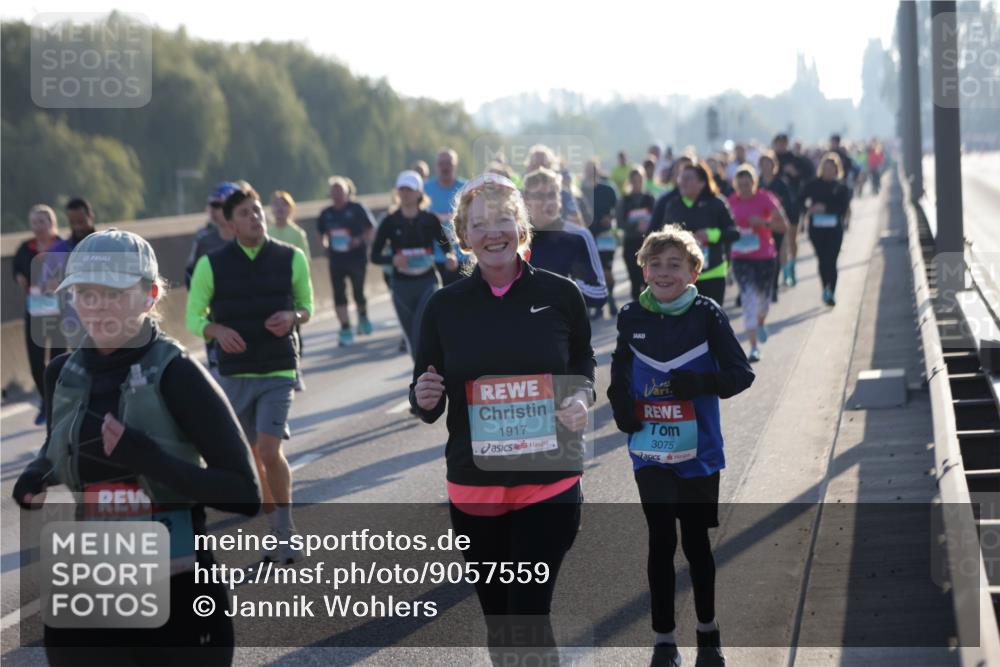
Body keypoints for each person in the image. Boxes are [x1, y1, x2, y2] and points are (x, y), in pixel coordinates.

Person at [13, 229, 262, 666]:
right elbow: (58, 452)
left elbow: (245, 493)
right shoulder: (61, 375)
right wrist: (37, 475)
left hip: (179, 595)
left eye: (113, 292)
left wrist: (149, 459)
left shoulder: (179, 374)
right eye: (86, 293)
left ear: (148, 295)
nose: (98, 305)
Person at [411, 172, 594, 664]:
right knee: (500, 619)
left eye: (503, 220)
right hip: (475, 488)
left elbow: (582, 362)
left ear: (522, 228)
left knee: (527, 615)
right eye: (480, 224)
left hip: (548, 480)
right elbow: (426, 395)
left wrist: (581, 397)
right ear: (464, 237)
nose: (493, 232)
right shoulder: (443, 306)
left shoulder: (561, 295)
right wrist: (424, 397)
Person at [608, 226, 754, 667]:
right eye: (656, 264)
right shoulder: (632, 316)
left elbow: (741, 374)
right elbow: (619, 368)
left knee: (694, 543)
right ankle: (664, 641)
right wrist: (621, 406)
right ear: (644, 270)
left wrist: (701, 383)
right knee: (658, 539)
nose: (664, 272)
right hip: (650, 450)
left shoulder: (707, 314)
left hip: (699, 452)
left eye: (675, 265)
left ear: (693, 272)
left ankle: (708, 635)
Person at [186, 184, 313, 564]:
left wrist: (293, 317)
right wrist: (218, 331)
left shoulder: (292, 257)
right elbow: (193, 318)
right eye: (245, 213)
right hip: (235, 374)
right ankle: (274, 531)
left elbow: (307, 306)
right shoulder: (212, 264)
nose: (255, 217)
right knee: (254, 458)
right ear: (229, 223)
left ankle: (286, 533)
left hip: (277, 367)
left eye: (257, 210)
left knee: (270, 450)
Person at [370, 170, 456, 365]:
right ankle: (422, 374)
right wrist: (392, 260)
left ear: (419, 193)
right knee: (411, 335)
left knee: (423, 328)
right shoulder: (390, 222)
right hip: (401, 286)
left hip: (428, 281)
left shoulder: (430, 219)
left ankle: (431, 369)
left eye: (409, 189)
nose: (405, 193)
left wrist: (450, 257)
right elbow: (374, 256)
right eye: (402, 189)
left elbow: (446, 246)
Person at [652, 162, 737, 307]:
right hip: (682, 277)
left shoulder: (716, 203)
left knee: (711, 326)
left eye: (688, 178)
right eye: (681, 178)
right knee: (686, 327)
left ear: (702, 183)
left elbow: (734, 233)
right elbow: (662, 237)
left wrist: (711, 235)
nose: (683, 182)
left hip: (713, 273)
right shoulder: (673, 205)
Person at [522, 167, 608, 311]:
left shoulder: (579, 236)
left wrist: (566, 285)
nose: (547, 202)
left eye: (552, 195)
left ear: (560, 199)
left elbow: (600, 294)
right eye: (539, 196)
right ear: (526, 200)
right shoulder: (516, 238)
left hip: (566, 330)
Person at [727, 166, 788, 362]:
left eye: (748, 184)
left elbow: (783, 226)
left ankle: (761, 321)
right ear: (735, 186)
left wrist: (763, 223)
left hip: (764, 256)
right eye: (740, 185)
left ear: (755, 184)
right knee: (748, 299)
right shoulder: (730, 203)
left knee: (764, 301)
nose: (744, 188)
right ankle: (753, 347)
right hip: (741, 258)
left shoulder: (765, 198)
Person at [13, 204, 66, 425]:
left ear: (51, 223)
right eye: (34, 222)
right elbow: (16, 268)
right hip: (35, 307)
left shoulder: (62, 246)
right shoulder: (25, 248)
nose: (38, 227)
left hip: (59, 308)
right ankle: (45, 400)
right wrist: (20, 278)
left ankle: (57, 402)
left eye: (41, 222)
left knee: (57, 357)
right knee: (35, 360)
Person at [317, 175, 377, 346]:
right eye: (333, 190)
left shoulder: (357, 209)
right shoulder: (326, 213)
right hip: (336, 259)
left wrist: (358, 240)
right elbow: (321, 234)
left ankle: (363, 316)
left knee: (358, 292)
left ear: (347, 192)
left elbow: (370, 229)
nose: (336, 194)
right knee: (339, 294)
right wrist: (325, 245)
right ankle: (345, 328)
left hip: (356, 258)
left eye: (339, 190)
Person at [269, 191, 311, 390]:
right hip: (270, 290)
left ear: (291, 209)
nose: (279, 209)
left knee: (294, 329)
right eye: (276, 205)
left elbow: (305, 264)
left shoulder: (297, 234)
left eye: (283, 205)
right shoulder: (265, 232)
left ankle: (296, 369)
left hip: (291, 289)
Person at [802, 153, 852, 306]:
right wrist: (809, 209)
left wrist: (825, 208)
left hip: (834, 229)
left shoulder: (842, 187)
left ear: (837, 170)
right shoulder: (813, 185)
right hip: (816, 230)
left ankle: (831, 292)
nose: (828, 171)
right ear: (821, 169)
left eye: (831, 168)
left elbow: (843, 208)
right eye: (825, 168)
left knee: (832, 260)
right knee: (822, 260)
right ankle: (825, 287)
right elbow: (799, 200)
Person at [580, 160, 619, 318]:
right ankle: (597, 304)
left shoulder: (608, 189)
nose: (591, 172)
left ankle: (610, 297)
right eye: (588, 169)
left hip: (605, 235)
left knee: (607, 270)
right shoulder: (581, 191)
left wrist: (610, 217)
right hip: (588, 235)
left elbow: (617, 208)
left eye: (593, 169)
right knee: (591, 271)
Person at [772, 134, 813, 287]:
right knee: (780, 241)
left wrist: (795, 173)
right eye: (778, 143)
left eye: (783, 143)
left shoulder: (795, 159)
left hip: (793, 204)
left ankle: (792, 265)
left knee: (792, 239)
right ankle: (783, 271)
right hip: (775, 206)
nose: (781, 146)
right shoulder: (771, 159)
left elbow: (809, 175)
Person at [424, 148, 469, 286]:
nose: (445, 167)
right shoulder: (425, 189)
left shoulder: (466, 188)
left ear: (455, 165)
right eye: (441, 163)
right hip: (432, 258)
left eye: (448, 163)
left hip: (463, 255)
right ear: (436, 166)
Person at [184, 182, 239, 287]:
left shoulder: (249, 238)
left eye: (218, 205)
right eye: (211, 204)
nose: (213, 209)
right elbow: (190, 273)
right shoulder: (202, 239)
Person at [757, 152, 794, 303]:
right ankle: (761, 287)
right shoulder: (757, 183)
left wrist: (778, 203)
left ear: (774, 166)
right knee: (760, 257)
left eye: (769, 164)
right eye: (764, 164)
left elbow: (789, 203)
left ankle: (773, 287)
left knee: (775, 256)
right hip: (760, 226)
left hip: (776, 224)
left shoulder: (781, 183)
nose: (766, 167)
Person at [617, 169, 658, 302]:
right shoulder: (624, 200)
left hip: (647, 244)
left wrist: (648, 225)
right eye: (634, 181)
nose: (637, 183)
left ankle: (650, 312)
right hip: (631, 244)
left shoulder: (649, 198)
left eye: (639, 180)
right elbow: (620, 222)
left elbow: (657, 219)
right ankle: (637, 311)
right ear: (630, 182)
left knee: (648, 281)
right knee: (635, 281)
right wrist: (635, 226)